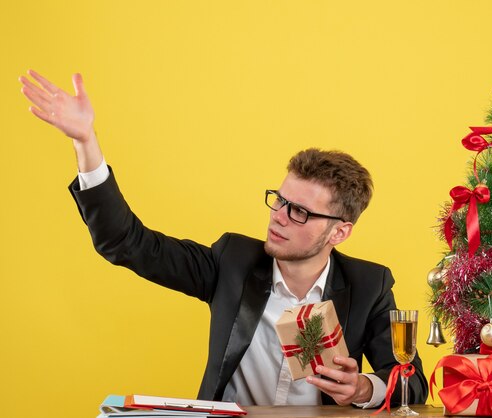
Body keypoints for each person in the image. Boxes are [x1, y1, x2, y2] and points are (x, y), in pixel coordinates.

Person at [19, 70, 428, 408]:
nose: (278, 217)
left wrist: (363, 389)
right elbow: (126, 243)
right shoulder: (232, 261)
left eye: (299, 211)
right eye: (280, 200)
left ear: (339, 231)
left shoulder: (369, 285)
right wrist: (86, 142)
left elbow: (413, 384)